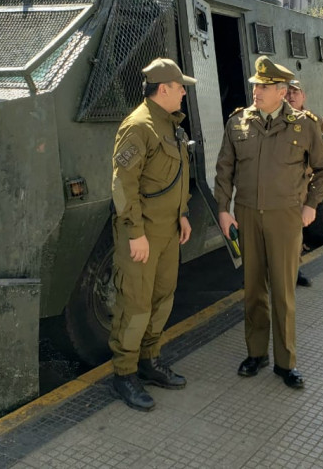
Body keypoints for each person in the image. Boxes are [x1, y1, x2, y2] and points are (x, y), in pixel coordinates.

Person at [214, 56, 323, 389]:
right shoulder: (238, 122)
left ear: (282, 91)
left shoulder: (305, 124)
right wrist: (223, 209)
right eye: (255, 85)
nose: (256, 90)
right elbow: (224, 169)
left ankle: (285, 362)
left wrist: (312, 204)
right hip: (248, 214)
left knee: (283, 292)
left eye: (264, 86)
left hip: (286, 216)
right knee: (253, 288)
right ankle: (256, 354)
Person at [108, 57, 195, 412]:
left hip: (169, 230)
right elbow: (122, 183)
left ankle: (149, 359)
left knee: (162, 298)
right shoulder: (139, 126)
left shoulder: (170, 124)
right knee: (136, 304)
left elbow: (176, 177)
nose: (183, 94)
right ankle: (125, 373)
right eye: (180, 88)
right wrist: (135, 234)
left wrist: (183, 214)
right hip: (142, 235)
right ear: (163, 89)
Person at [286, 79, 323, 287]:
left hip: (303, 185)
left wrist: (311, 166)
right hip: (281, 185)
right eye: (288, 92)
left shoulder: (315, 121)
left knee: (297, 230)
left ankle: (294, 271)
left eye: (295, 92)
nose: (291, 96)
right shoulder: (277, 120)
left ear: (303, 96)